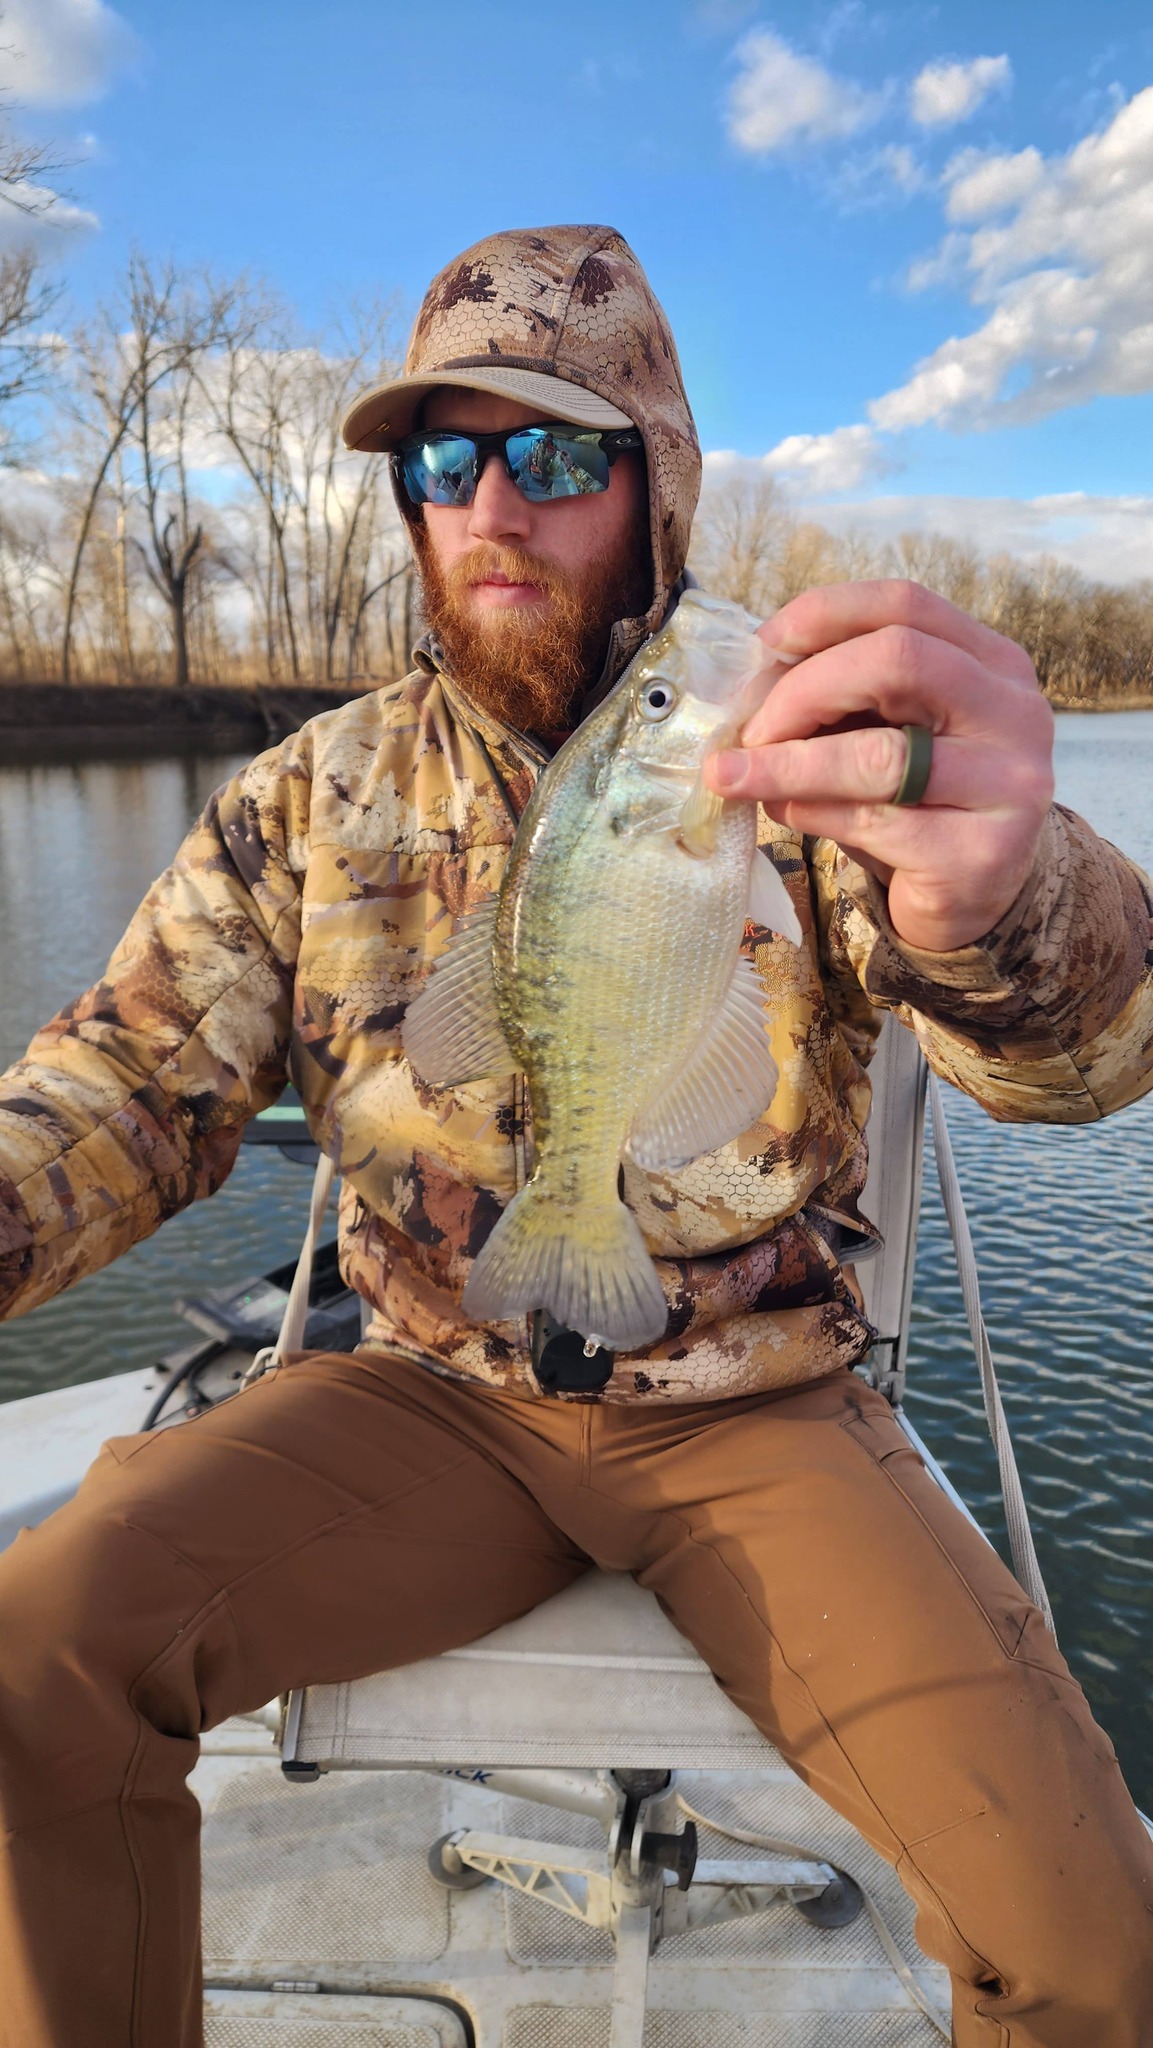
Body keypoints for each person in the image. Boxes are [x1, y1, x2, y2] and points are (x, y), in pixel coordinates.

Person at [0, 223, 1150, 2048]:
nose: (489, 506)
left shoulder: (786, 756)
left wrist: (1001, 902)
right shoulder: (310, 795)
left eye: (550, 453)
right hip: (428, 1392)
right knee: (33, 1652)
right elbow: (128, 1086)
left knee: (1088, 1931)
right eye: (441, 462)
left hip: (757, 1405)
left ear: (655, 484)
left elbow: (1072, 1069)